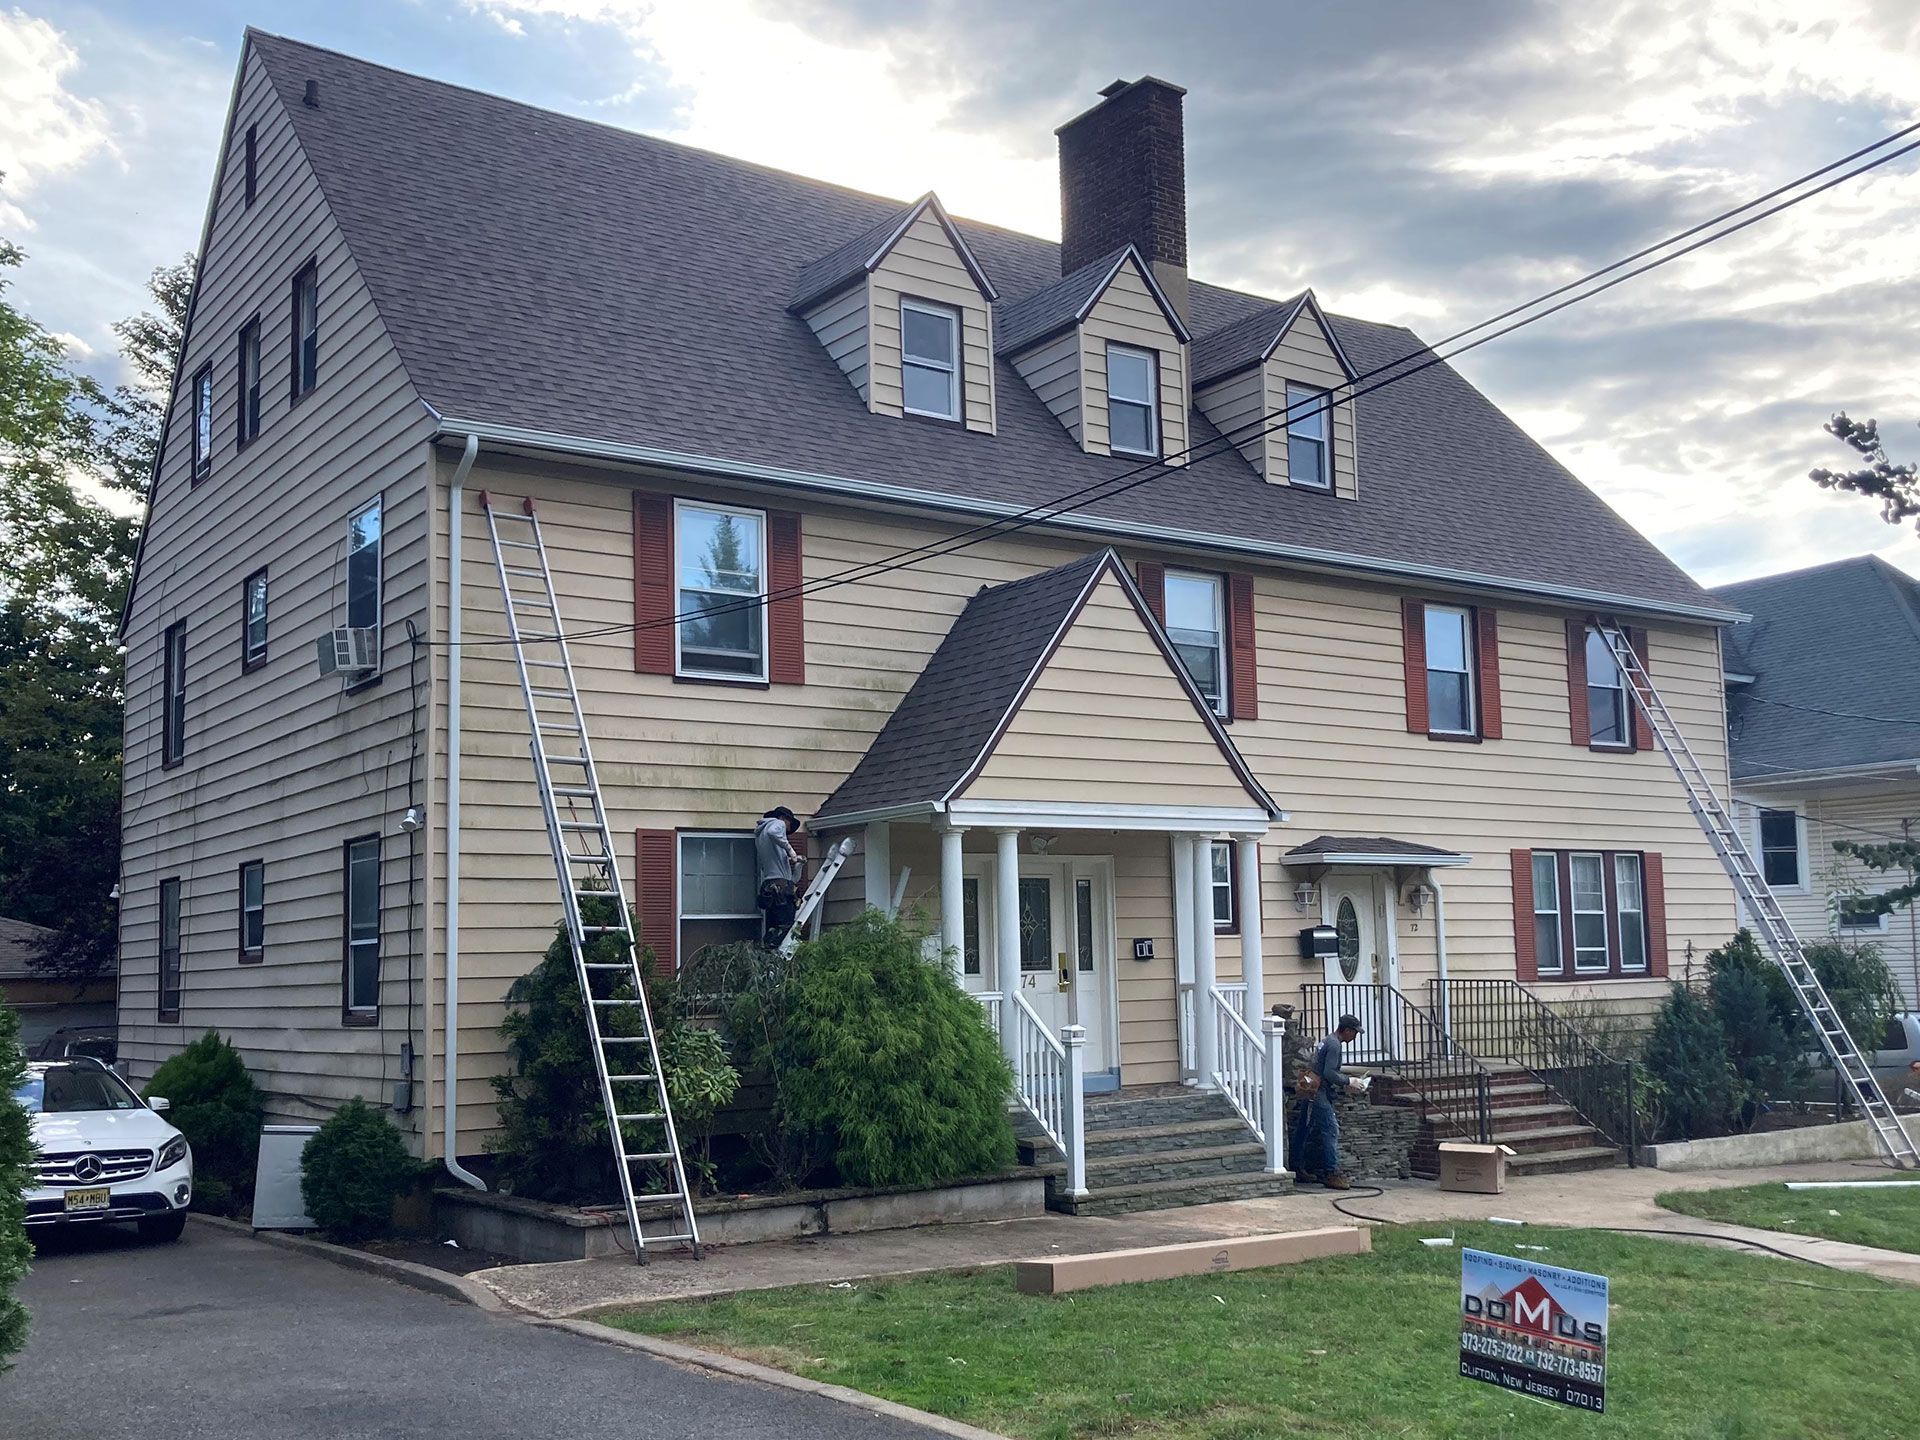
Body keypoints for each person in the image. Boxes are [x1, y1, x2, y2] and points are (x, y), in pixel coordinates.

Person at [1293, 1013, 1365, 1190]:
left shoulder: (1327, 1040)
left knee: (1304, 1128)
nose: (1355, 1036)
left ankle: (1297, 1167)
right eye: (1354, 1032)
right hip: (1319, 1091)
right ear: (1346, 1030)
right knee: (1330, 1129)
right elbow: (1329, 1073)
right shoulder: (1334, 1045)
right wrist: (1349, 1081)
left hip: (1310, 1087)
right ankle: (1331, 1173)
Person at [754, 806, 806, 946]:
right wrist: (790, 850)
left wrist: (799, 864)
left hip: (770, 889)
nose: (787, 830)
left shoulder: (761, 836)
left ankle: (770, 958)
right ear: (784, 819)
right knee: (786, 928)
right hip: (781, 890)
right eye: (788, 825)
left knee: (773, 929)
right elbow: (773, 832)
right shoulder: (777, 823)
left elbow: (792, 880)